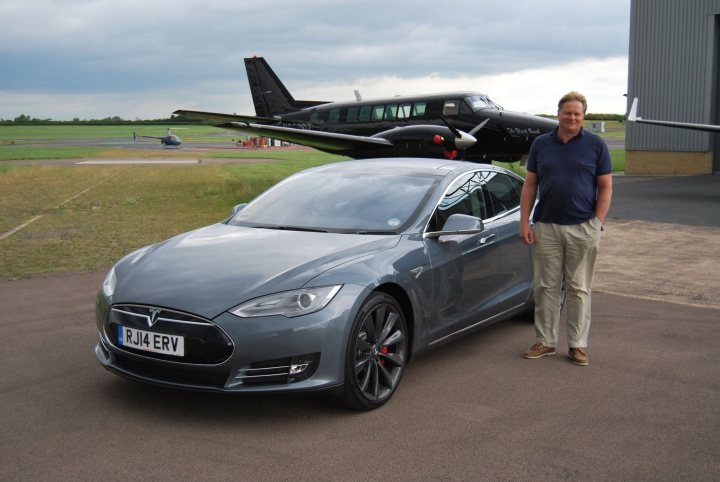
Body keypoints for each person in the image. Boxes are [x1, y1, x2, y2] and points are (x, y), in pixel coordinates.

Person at [519, 91, 613, 366]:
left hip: (583, 227)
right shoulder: (541, 144)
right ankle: (546, 342)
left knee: (578, 287)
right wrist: (525, 221)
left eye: (577, 113)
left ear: (583, 117)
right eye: (567, 112)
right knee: (545, 286)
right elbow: (530, 185)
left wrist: (597, 223)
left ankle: (577, 345)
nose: (572, 117)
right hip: (546, 226)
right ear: (558, 113)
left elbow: (606, 187)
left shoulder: (596, 145)